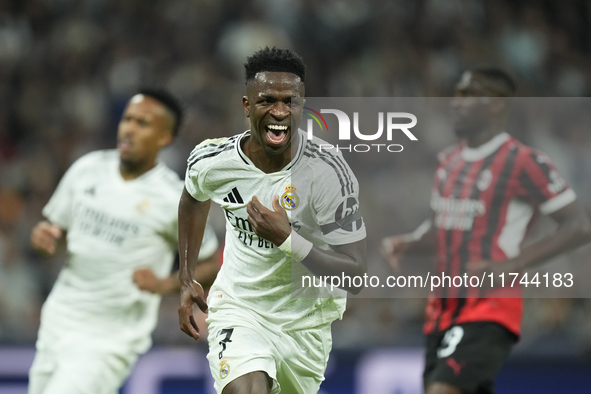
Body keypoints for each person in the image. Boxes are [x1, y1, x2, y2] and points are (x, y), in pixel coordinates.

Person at [381, 68, 591, 394]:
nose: (456, 102)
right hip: (442, 308)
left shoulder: (523, 161)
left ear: (495, 104)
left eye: (468, 94)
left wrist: (510, 265)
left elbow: (579, 225)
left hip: (489, 307)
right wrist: (408, 243)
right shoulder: (448, 161)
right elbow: (444, 229)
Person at [178, 47, 367, 394]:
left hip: (304, 326)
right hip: (240, 308)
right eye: (267, 100)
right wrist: (187, 277)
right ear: (247, 105)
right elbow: (193, 196)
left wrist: (287, 239)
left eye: (290, 102)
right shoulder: (213, 160)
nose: (279, 112)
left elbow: (353, 274)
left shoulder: (328, 172)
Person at [28, 88, 219, 394]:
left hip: (109, 340)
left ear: (164, 137)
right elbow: (55, 234)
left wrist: (164, 285)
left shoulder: (173, 198)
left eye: (143, 123)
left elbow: (211, 263)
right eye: (127, 119)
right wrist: (44, 239)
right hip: (58, 322)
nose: (129, 127)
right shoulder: (87, 168)